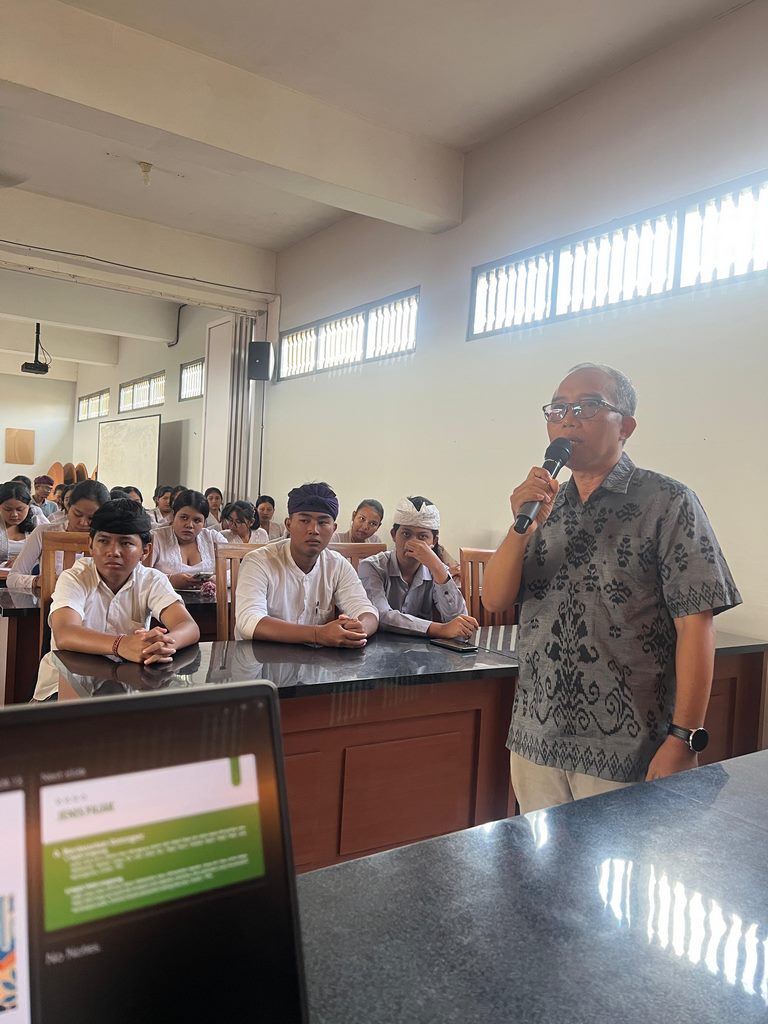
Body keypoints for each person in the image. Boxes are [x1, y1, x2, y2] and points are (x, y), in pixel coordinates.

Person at [482, 362, 741, 815]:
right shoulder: (544, 506)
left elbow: (696, 626)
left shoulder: (667, 501)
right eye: (557, 409)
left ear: (627, 426)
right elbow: (495, 600)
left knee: (620, 880)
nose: (567, 418)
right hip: (535, 736)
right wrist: (520, 526)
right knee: (540, 882)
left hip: (628, 744)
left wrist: (684, 737)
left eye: (587, 407)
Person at [32, 498, 200, 701]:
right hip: (64, 684)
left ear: (145, 551)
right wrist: (121, 644)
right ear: (91, 544)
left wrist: (164, 644)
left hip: (125, 686)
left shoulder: (151, 579)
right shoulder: (74, 577)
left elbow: (188, 626)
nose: (113, 552)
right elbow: (65, 633)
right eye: (103, 541)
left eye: (126, 543)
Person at [235, 482, 378, 646]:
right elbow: (249, 621)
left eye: (323, 522)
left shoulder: (337, 565)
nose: (313, 530)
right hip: (262, 665)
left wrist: (359, 629)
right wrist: (318, 634)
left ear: (333, 528)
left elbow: (366, 610)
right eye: (304, 520)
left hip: (315, 665)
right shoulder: (259, 561)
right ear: (288, 525)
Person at [359, 497, 478, 638]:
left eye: (422, 537)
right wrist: (439, 629)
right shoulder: (371, 566)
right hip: (378, 649)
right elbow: (381, 615)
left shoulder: (436, 569)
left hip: (423, 651)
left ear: (434, 541)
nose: (412, 543)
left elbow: (459, 623)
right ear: (393, 535)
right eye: (406, 534)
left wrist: (438, 568)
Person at [7, 480, 110, 589]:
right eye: (77, 514)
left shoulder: (107, 541)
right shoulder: (45, 533)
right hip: (51, 602)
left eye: (91, 518)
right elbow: (13, 578)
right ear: (68, 507)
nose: (83, 522)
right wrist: (38, 581)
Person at [150, 488, 227, 589]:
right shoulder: (156, 538)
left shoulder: (213, 538)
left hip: (210, 602)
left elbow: (235, 572)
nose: (189, 525)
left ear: (204, 522)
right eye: (184, 518)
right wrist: (169, 580)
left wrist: (214, 579)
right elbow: (142, 575)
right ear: (173, 516)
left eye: (197, 520)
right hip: (164, 601)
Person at [0, 481, 39, 568]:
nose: (14, 514)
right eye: (8, 509)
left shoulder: (37, 522)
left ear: (28, 506)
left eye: (20, 509)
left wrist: (23, 559)